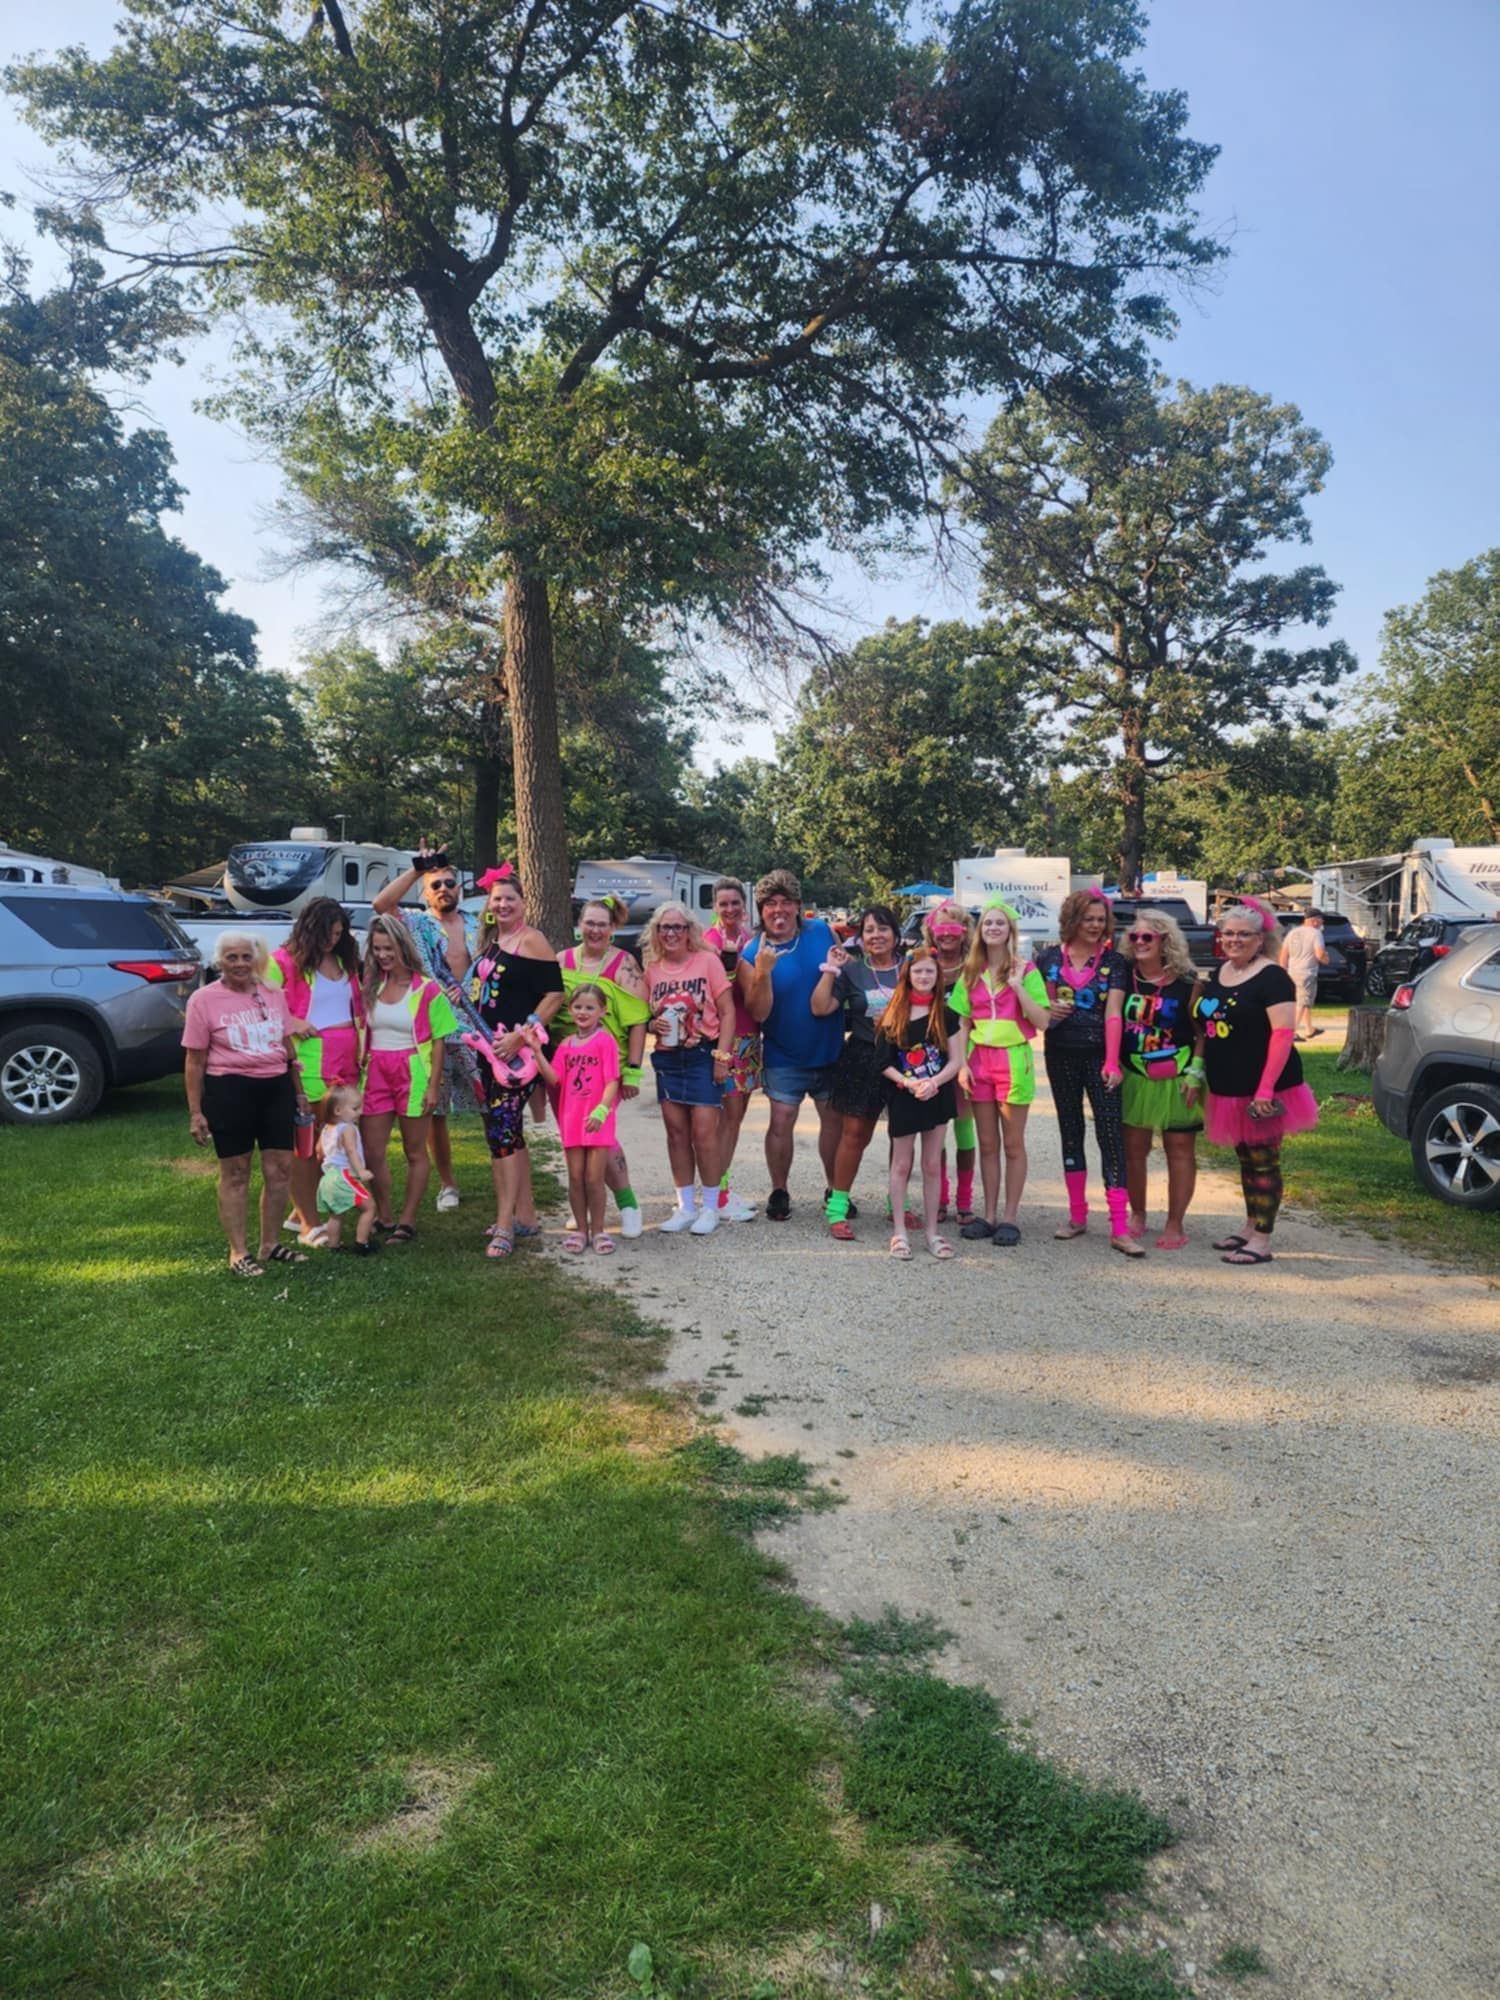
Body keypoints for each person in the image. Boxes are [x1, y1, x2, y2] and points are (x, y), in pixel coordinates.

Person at [1195, 899, 1319, 1267]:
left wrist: (1265, 1089)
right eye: (1228, 933)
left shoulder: (1272, 977)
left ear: (1260, 938)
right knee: (1245, 1159)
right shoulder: (1221, 972)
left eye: (1243, 934)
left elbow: (1282, 1034)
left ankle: (1262, 1240)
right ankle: (1250, 1226)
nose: (1234, 940)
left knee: (1264, 1161)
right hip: (1229, 1084)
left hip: (1263, 1086)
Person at [181, 931, 304, 1276]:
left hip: (276, 1087)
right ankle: (238, 1251)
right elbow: (194, 1061)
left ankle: (270, 1243)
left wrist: (298, 1092)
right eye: (231, 958)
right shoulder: (203, 1001)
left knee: (280, 1170)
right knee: (236, 1173)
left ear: (255, 959)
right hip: (229, 1089)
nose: (239, 964)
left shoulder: (273, 994)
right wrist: (196, 1112)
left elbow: (286, 1045)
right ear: (219, 961)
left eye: (245, 957)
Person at [374, 846, 483, 1210]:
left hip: (473, 1028)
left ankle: (506, 1172)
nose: (443, 890)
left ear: (459, 888)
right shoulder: (416, 922)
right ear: (425, 891)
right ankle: (448, 1184)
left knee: (490, 1102)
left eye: (449, 883)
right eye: (435, 885)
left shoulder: (477, 923)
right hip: (431, 1027)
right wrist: (417, 869)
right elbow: (380, 905)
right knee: (436, 1111)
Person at [465, 865, 566, 1257]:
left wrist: (523, 1032)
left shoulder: (532, 940)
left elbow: (554, 995)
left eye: (510, 898)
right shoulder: (494, 940)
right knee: (504, 1133)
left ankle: (505, 1226)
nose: (503, 904)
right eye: (497, 899)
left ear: (524, 904)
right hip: (487, 1054)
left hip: (517, 1058)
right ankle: (524, 1215)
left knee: (502, 1135)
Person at [1036, 888, 1138, 1256]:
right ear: (1072, 920)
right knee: (1070, 1131)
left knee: (1111, 1136)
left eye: (1100, 919)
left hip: (1099, 1057)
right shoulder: (1048, 957)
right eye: (1088, 919)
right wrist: (1047, 1007)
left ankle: (1119, 1227)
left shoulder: (1114, 962)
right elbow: (1039, 1005)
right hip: (1060, 1055)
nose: (1095, 926)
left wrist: (1112, 1061)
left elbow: (1114, 1012)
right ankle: (1077, 1216)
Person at [740, 869, 844, 1220]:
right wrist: (762, 972)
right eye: (771, 904)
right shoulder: (751, 952)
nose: (779, 910)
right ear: (761, 910)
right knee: (781, 1120)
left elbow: (841, 975)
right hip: (784, 1054)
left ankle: (835, 1189)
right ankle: (779, 1189)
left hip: (829, 1048)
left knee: (833, 1122)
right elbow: (758, 1012)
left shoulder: (822, 932)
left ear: (799, 907)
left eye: (786, 902)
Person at [265, 896, 366, 1242]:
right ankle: (309, 1223)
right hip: (308, 1061)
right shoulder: (281, 961)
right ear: (311, 928)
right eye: (327, 933)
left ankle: (300, 1211)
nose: (332, 940)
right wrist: (290, 1020)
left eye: (338, 934)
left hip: (345, 1061)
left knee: (333, 1142)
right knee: (306, 1145)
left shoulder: (344, 960)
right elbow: (258, 1003)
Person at [950, 899, 1050, 1247]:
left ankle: (1010, 1217)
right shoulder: (970, 971)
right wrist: (961, 1063)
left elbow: (1043, 1020)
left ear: (1010, 930)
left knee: (1012, 1144)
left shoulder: (1027, 970)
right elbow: (962, 1020)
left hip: (1012, 1061)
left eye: (1000, 924)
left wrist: (1018, 986)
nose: (993, 928)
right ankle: (989, 1215)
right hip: (979, 1062)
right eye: (988, 924)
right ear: (981, 931)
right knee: (987, 1144)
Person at [361, 914, 458, 1242]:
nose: (383, 955)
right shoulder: (370, 985)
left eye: (388, 948)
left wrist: (434, 1086)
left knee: (414, 1151)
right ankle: (384, 1214)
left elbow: (441, 1039)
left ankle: (407, 1220)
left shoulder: (427, 988)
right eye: (376, 949)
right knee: (372, 1151)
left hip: (413, 1071)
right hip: (375, 1071)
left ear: (402, 946)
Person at [558, 896, 651, 1237]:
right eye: (589, 923)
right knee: (574, 1139)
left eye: (602, 924)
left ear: (613, 929)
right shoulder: (561, 960)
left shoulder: (624, 964)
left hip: (606, 1070)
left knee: (602, 1139)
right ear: (579, 924)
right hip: (566, 1070)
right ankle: (581, 1210)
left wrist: (633, 1070)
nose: (595, 929)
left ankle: (627, 1203)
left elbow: (639, 1019)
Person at [642, 902, 735, 1234]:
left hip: (702, 1055)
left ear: (689, 931)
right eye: (664, 928)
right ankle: (684, 1206)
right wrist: (653, 1026)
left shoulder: (707, 961)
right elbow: (643, 1018)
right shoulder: (651, 969)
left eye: (677, 927)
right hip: (668, 1058)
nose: (670, 933)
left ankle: (710, 1207)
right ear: (656, 933)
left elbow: (727, 1011)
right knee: (676, 1134)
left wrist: (723, 1057)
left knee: (704, 1133)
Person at [812, 904, 903, 1240]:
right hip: (864, 1056)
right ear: (860, 938)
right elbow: (820, 1008)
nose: (876, 935)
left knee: (902, 1136)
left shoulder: (912, 968)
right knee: (854, 1136)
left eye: (882, 928)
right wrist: (830, 970)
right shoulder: (852, 970)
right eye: (868, 930)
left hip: (907, 1057)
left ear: (895, 934)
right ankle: (837, 1207)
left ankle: (897, 1204)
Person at [1118, 911, 1205, 1251]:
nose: (1138, 943)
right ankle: (1137, 1213)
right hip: (1134, 1075)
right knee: (1133, 1150)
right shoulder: (1123, 978)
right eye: (1134, 937)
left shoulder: (1188, 983)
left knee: (1180, 1150)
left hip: (1178, 1075)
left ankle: (1174, 1222)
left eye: (1147, 938)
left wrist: (1196, 1072)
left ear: (1165, 941)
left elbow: (1202, 1033)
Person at [875, 948, 966, 1259]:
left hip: (936, 1097)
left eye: (930, 971)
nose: (924, 977)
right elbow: (883, 1062)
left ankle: (932, 1231)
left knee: (931, 1164)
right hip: (904, 1097)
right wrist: (909, 1082)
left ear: (938, 976)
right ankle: (899, 1229)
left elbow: (956, 1060)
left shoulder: (948, 1014)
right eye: (918, 971)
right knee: (901, 1164)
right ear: (908, 975)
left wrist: (933, 1083)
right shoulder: (894, 1014)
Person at [532, 982, 623, 1254]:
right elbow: (555, 1078)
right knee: (575, 1177)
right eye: (578, 1007)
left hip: (597, 1119)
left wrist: (602, 1110)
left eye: (590, 1007)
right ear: (570, 1010)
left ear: (602, 1011)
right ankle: (581, 1230)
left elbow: (612, 1081)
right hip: (572, 1119)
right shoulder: (565, 1046)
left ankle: (599, 1231)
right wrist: (536, 1051)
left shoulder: (605, 1041)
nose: (583, 1012)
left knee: (594, 1178)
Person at [702, 877, 761, 1223]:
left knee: (735, 1120)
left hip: (751, 1034)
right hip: (728, 1037)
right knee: (727, 1119)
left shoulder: (751, 939)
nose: (729, 909)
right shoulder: (709, 942)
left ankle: (721, 1187)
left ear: (744, 905)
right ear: (715, 908)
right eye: (723, 904)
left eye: (735, 903)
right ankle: (718, 1194)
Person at [922, 902, 979, 1222]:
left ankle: (965, 1200)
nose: (946, 935)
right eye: (940, 928)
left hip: (968, 1058)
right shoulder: (924, 963)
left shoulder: (975, 967)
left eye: (953, 929)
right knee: (937, 1130)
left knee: (965, 1130)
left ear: (964, 932)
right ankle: (941, 1197)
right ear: (931, 930)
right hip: (931, 1059)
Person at [308, 1083, 377, 1254]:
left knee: (336, 1214)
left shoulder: (326, 1129)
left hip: (328, 1177)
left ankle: (333, 1245)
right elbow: (351, 1150)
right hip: (344, 1176)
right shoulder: (348, 1128)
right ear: (338, 1110)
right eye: (355, 1108)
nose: (360, 1112)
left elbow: (319, 1152)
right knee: (369, 1207)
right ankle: (362, 1244)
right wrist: (361, 1171)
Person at [1280, 911, 1328, 1041]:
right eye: (1321, 920)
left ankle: (1309, 1029)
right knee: (1301, 1002)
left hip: (1292, 971)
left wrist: (1282, 971)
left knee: (1305, 1000)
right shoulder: (1316, 933)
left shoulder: (1292, 932)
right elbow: (1319, 954)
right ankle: (1292, 1032)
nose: (1322, 923)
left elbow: (1284, 954)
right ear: (1314, 921)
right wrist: (1326, 959)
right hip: (1307, 972)